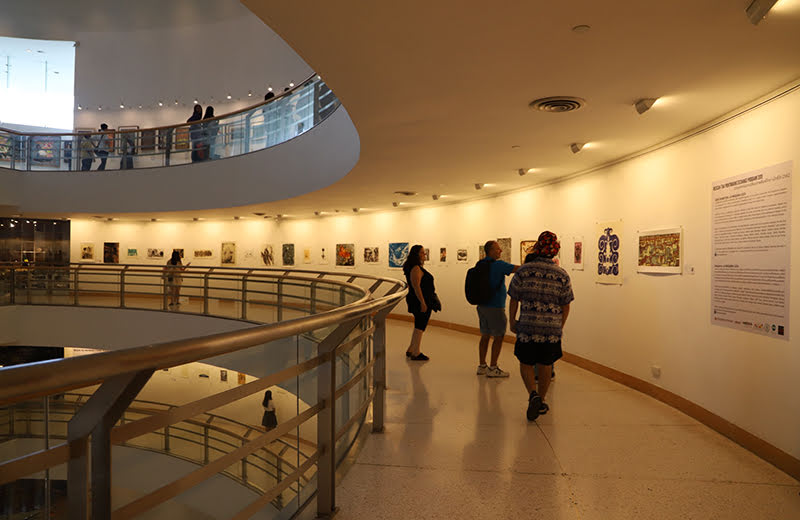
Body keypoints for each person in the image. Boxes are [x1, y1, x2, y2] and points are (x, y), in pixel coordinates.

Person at [508, 231, 574, 421]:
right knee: (546, 364)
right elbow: (566, 304)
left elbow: (514, 298)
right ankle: (542, 399)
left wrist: (513, 321)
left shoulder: (524, 271)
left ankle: (533, 395)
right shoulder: (561, 274)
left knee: (525, 362)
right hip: (551, 329)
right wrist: (559, 326)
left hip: (528, 326)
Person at [475, 240, 518, 378]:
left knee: (485, 335)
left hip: (482, 305)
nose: (501, 251)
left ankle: (482, 365)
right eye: (498, 249)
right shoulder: (499, 265)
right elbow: (519, 269)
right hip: (495, 307)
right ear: (491, 251)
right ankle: (493, 367)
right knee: (498, 337)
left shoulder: (480, 264)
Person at [403, 244, 440, 361]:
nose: (425, 255)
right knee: (420, 325)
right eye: (422, 253)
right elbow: (416, 286)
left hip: (420, 299)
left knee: (419, 324)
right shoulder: (416, 268)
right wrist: (423, 302)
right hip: (420, 300)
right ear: (417, 254)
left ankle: (411, 348)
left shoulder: (415, 267)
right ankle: (416, 352)